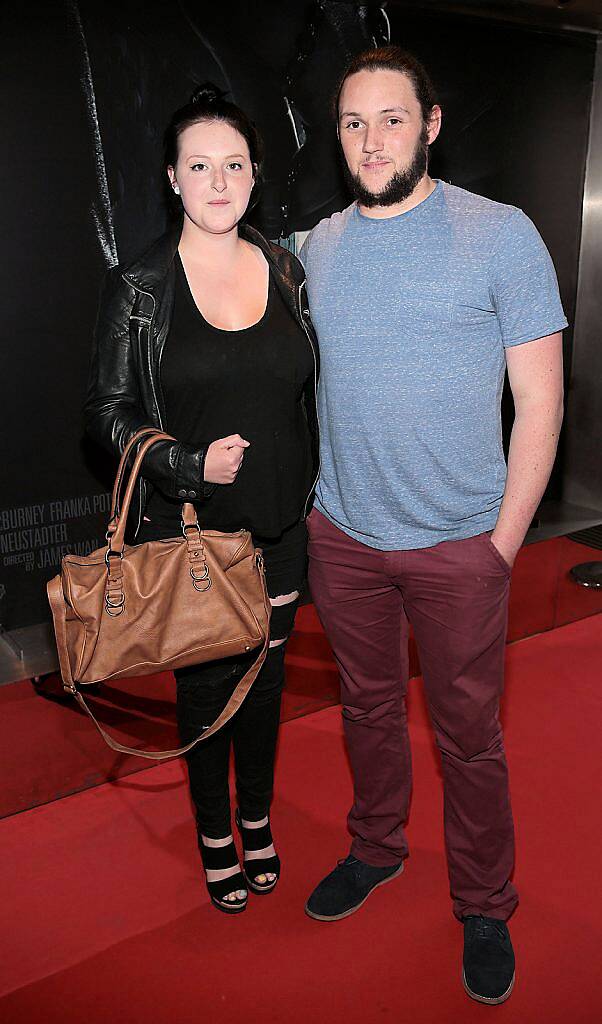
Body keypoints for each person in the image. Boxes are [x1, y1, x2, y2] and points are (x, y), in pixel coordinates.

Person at [300, 46, 566, 1004]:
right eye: (354, 123)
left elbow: (541, 402)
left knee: (471, 738)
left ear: (433, 124)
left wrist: (499, 547)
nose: (373, 140)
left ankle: (486, 900)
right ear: (338, 137)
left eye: (392, 119)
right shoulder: (317, 246)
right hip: (344, 539)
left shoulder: (500, 235)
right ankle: (376, 849)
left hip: (461, 545)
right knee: (367, 712)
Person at [85, 84, 319, 914]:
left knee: (265, 684)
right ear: (173, 179)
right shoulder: (141, 287)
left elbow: (301, 393)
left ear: (254, 175)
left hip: (283, 526)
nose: (218, 182)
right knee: (206, 693)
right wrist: (186, 465)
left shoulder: (287, 269)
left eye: (233, 165)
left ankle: (256, 820)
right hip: (193, 534)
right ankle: (215, 832)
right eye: (199, 167)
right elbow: (107, 415)